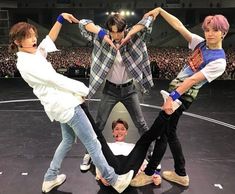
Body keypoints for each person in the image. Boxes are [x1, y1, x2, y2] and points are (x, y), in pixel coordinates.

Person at [8, 13, 134, 194]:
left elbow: (48, 40)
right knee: (93, 143)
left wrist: (59, 19)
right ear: (19, 42)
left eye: (33, 34)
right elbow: (55, 80)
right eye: (28, 37)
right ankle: (114, 180)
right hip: (66, 106)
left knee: (67, 140)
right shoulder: (27, 63)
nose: (34, 39)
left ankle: (50, 178)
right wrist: (83, 90)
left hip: (60, 105)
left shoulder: (32, 55)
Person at [131, 7, 230, 187]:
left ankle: (148, 173)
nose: (210, 34)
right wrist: (160, 11)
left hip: (181, 98)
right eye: (207, 30)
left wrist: (172, 98)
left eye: (215, 30)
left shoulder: (219, 61)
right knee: (170, 133)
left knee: (157, 134)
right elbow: (179, 27)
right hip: (174, 94)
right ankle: (181, 174)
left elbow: (192, 80)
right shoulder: (201, 44)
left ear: (224, 32)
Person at [78, 12, 155, 171]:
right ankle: (89, 154)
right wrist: (102, 34)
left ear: (125, 28)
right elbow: (83, 23)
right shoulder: (102, 39)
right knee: (98, 125)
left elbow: (147, 22)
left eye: (119, 31)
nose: (116, 35)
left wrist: (129, 34)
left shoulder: (134, 38)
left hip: (129, 90)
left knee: (141, 124)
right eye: (112, 31)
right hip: (110, 90)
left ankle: (152, 155)